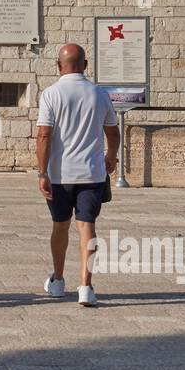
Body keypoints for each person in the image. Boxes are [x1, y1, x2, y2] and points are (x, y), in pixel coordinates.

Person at [36, 42, 121, 308]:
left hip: (60, 174)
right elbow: (113, 131)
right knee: (87, 226)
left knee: (60, 225)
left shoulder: (50, 94)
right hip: (91, 173)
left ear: (58, 66)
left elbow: (44, 135)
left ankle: (58, 281)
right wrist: (111, 156)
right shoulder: (99, 94)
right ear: (85, 65)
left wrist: (42, 172)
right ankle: (86, 285)